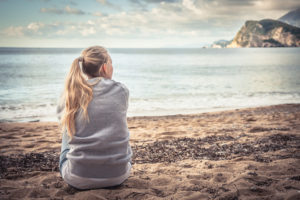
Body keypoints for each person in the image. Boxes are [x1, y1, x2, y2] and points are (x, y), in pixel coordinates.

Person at [56, 46, 132, 190]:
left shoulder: (71, 94)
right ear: (104, 67)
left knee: (68, 127)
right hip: (118, 176)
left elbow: (61, 119)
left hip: (77, 178)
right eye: (111, 63)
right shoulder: (122, 90)